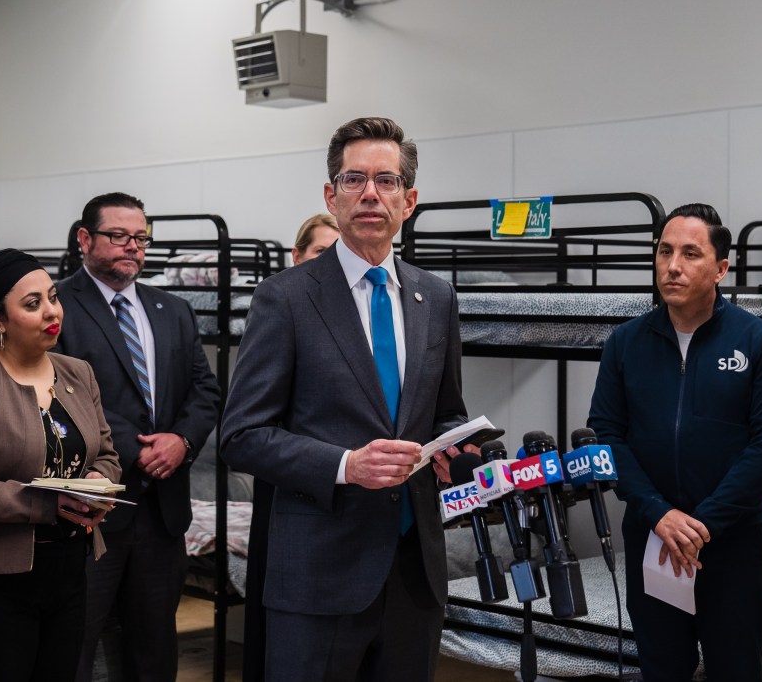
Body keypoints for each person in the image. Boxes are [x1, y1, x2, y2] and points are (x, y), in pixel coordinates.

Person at [220, 116, 470, 682]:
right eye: (354, 179)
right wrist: (346, 466)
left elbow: (445, 411)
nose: (370, 194)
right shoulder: (284, 299)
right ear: (331, 196)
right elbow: (241, 436)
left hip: (414, 570)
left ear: (409, 200)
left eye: (386, 181)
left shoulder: (436, 296)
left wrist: (460, 447)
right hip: (318, 571)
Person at [588, 203, 762, 682]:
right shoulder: (625, 342)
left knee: (734, 669)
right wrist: (658, 513)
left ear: (721, 269)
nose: (672, 266)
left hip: (733, 541)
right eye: (664, 251)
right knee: (663, 669)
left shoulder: (760, 342)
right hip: (652, 535)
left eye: (690, 253)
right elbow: (607, 433)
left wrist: (701, 523)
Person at [0, 248, 122, 682]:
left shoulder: (78, 373)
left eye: (53, 297)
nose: (52, 312)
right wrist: (49, 502)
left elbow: (105, 453)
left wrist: (98, 482)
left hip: (69, 566)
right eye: (32, 304)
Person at [56, 192, 221, 682]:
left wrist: (182, 442)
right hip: (93, 510)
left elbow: (205, 390)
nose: (132, 246)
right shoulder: (56, 304)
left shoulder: (172, 309)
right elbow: (57, 393)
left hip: (163, 512)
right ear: (85, 239)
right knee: (76, 644)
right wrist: (138, 449)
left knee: (153, 647)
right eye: (119, 236)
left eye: (141, 238)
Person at [241, 210, 342, 681]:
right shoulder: (281, 305)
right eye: (321, 253)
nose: (332, 264)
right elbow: (248, 429)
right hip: (287, 485)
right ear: (296, 256)